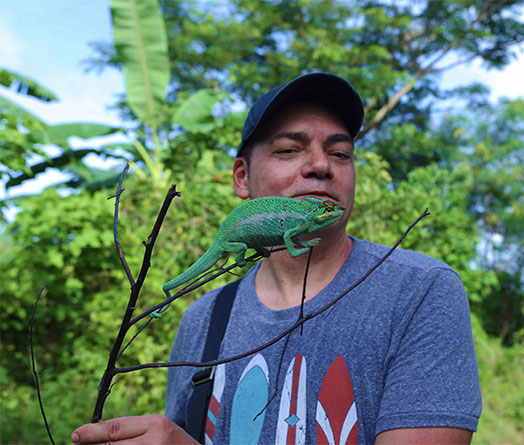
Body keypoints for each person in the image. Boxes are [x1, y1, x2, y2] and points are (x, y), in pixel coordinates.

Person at [72, 72, 482, 444]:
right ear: (242, 178)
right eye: (289, 149)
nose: (321, 165)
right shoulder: (204, 320)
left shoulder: (419, 291)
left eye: (341, 153)